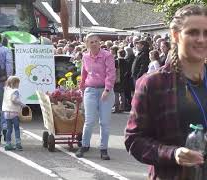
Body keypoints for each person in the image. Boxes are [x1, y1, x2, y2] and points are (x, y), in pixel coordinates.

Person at [125, 4, 207, 179]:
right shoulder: (153, 83)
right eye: (193, 32)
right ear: (176, 35)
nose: (201, 39)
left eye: (206, 33)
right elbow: (134, 141)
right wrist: (173, 153)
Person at [76, 33, 116, 159]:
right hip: (90, 90)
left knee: (104, 122)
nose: (93, 44)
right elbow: (84, 73)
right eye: (91, 42)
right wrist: (81, 88)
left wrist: (107, 89)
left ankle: (103, 149)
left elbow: (111, 73)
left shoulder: (107, 55)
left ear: (100, 42)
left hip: (105, 91)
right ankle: (84, 145)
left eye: (96, 41)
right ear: (86, 44)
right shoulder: (85, 57)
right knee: (89, 121)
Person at [2, 76, 25, 151]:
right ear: (15, 83)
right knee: (16, 128)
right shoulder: (15, 91)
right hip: (14, 112)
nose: (18, 85)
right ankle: (18, 144)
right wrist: (22, 104)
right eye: (18, 83)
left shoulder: (6, 90)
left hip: (6, 112)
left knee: (9, 129)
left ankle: (8, 144)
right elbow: (14, 99)